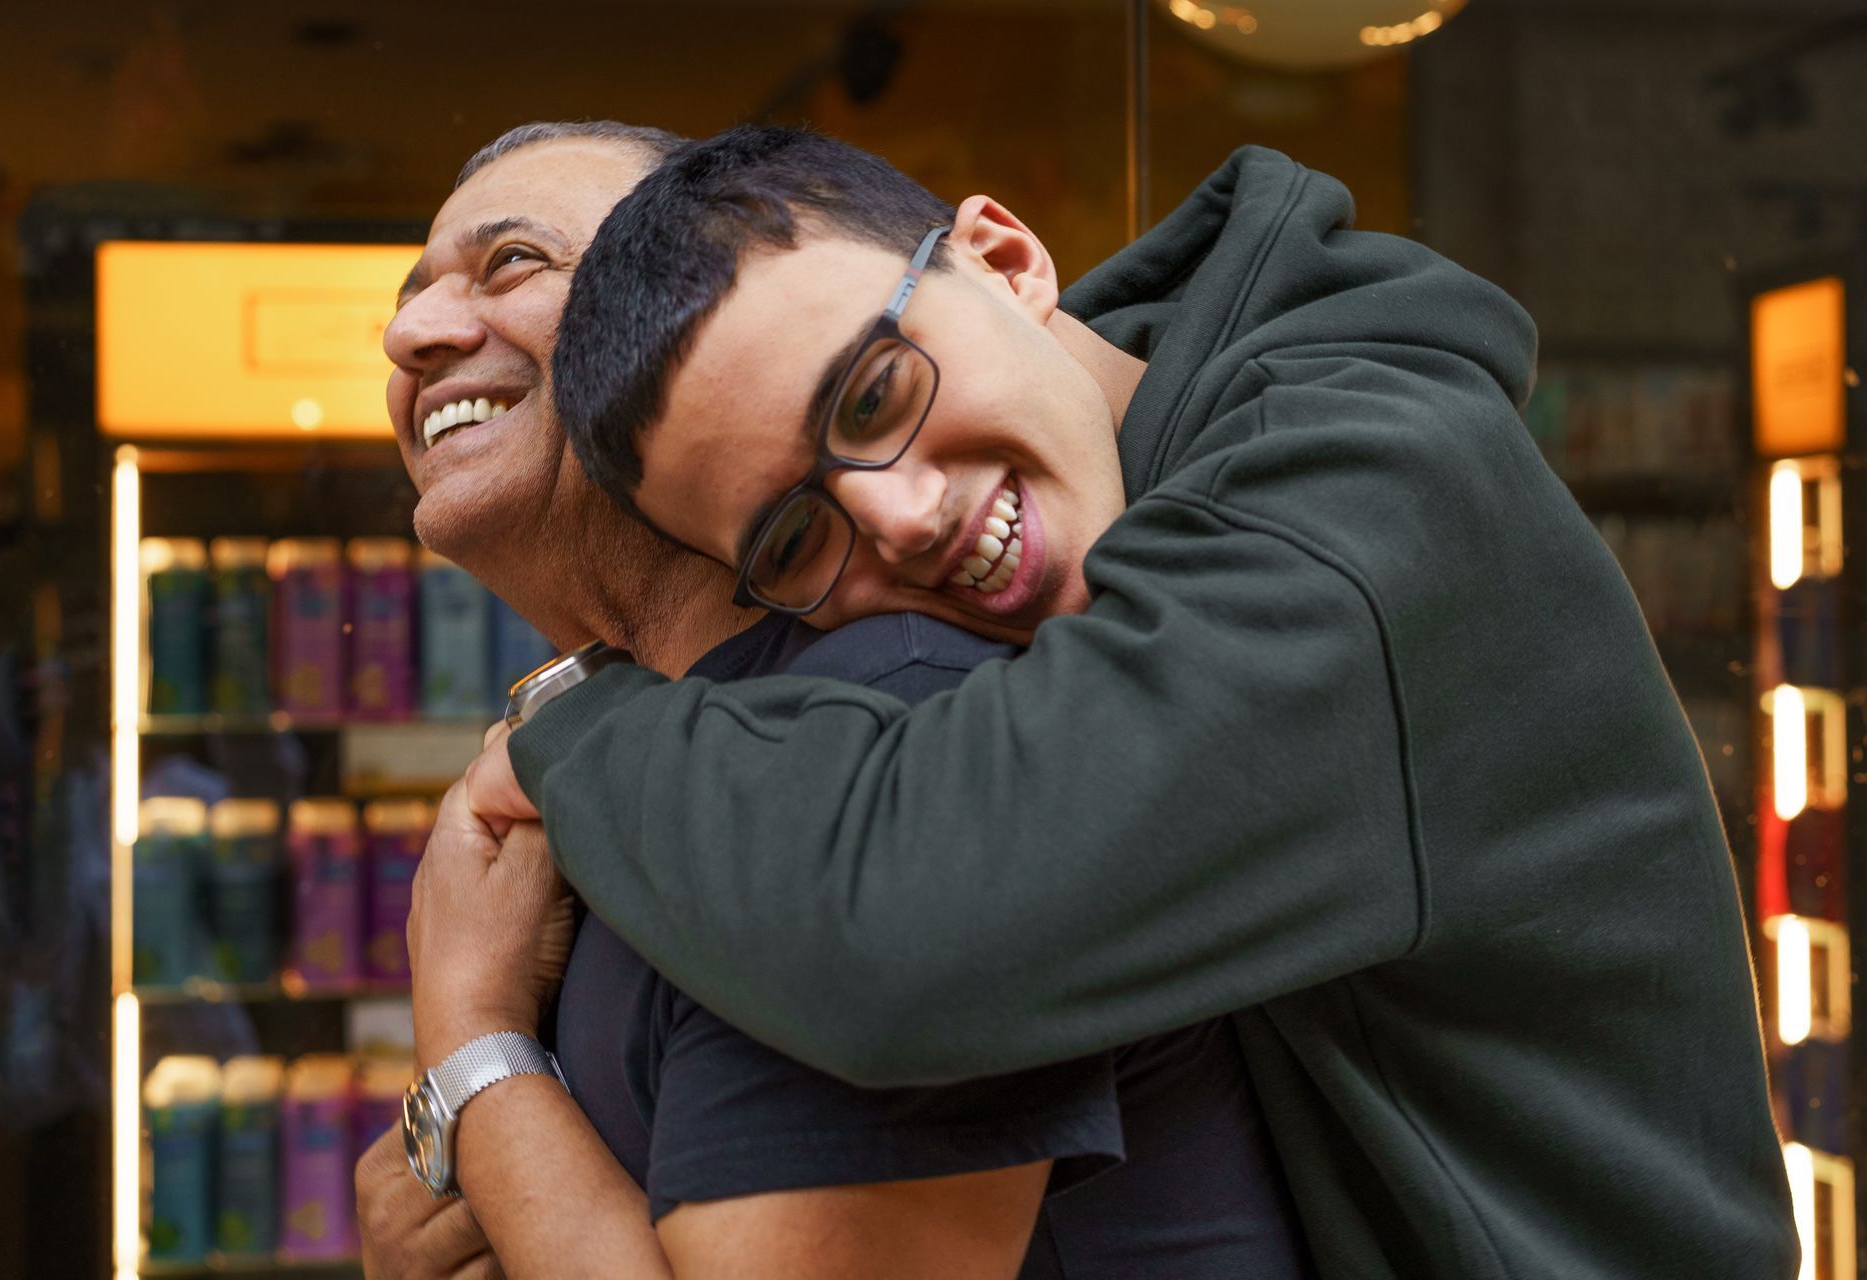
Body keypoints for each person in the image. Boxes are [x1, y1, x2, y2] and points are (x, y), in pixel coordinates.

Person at [461, 123, 1801, 1277]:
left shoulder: (1365, 497)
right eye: (798, 537)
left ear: (1003, 257)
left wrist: (582, 726)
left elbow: (920, 936)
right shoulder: (1130, 493)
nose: (906, 515)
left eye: (875, 393)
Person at [362, 120, 1312, 1280]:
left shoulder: (897, 733)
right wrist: (471, 1148)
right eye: (413, 297)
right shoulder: (646, 756)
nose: (409, 333)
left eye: (513, 261)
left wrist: (472, 1053)